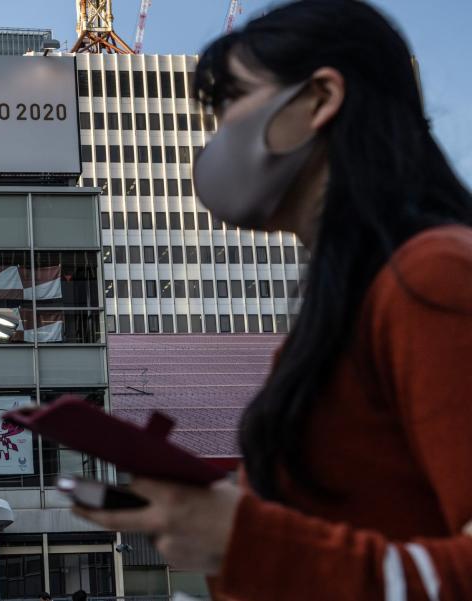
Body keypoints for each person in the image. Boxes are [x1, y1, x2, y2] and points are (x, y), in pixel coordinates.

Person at [75, 1, 472, 599]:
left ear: (319, 99)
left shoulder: (434, 279)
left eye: (232, 101)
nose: (216, 137)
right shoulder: (329, 327)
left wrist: (244, 538)